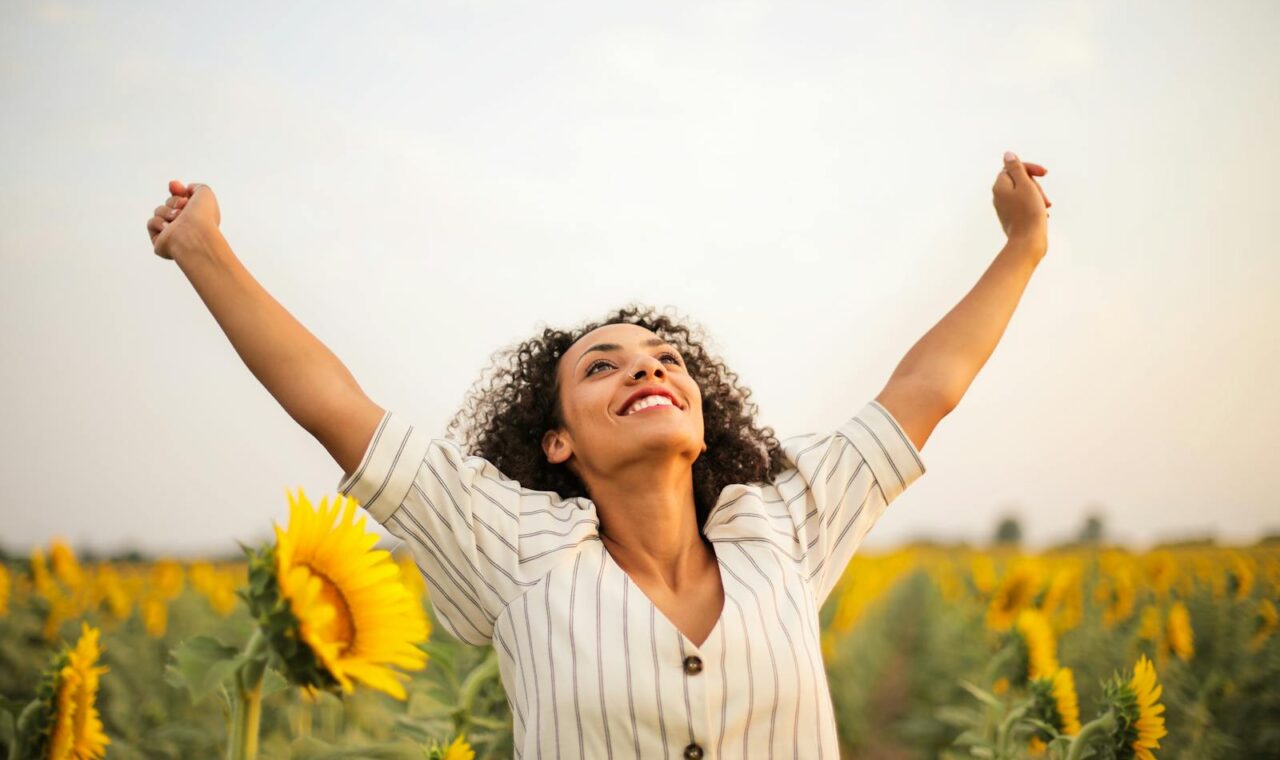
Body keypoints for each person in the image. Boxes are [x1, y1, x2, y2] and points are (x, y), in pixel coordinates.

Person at [144, 152, 1051, 758]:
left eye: (665, 361)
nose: (647, 370)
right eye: (603, 366)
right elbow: (337, 408)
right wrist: (204, 250)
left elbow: (924, 391)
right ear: (558, 439)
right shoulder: (510, 549)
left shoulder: (780, 522)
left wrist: (1022, 247)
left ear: (702, 414)